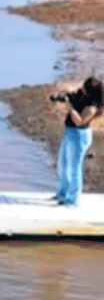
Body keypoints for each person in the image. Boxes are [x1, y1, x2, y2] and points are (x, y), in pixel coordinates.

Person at [52, 77, 104, 205]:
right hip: (69, 133)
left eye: (85, 87)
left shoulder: (92, 107)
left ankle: (73, 199)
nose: (82, 88)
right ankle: (63, 193)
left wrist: (70, 107)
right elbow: (71, 94)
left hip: (79, 136)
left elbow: (80, 122)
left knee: (74, 168)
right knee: (63, 164)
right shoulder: (81, 94)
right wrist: (59, 97)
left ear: (90, 92)